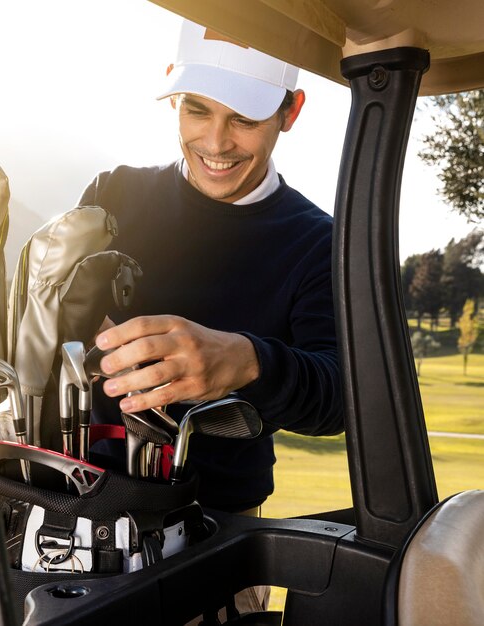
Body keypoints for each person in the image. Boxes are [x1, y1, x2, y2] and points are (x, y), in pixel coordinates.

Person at [79, 18, 343, 616]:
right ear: (174, 91)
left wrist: (247, 362)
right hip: (83, 509)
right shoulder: (112, 194)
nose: (216, 142)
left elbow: (341, 397)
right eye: (196, 110)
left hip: (221, 532)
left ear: (291, 111)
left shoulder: (321, 243)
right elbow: (52, 328)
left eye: (244, 119)